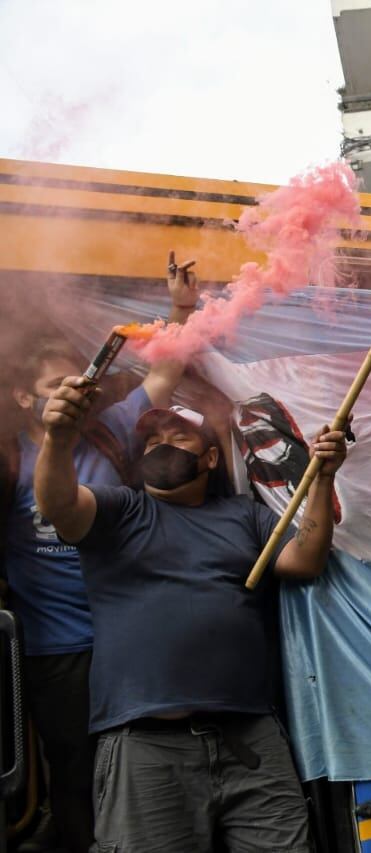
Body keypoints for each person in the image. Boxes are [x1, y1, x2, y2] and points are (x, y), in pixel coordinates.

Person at [34, 384, 347, 852]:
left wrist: (322, 478)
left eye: (178, 438)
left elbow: (304, 560)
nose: (162, 446)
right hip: (146, 744)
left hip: (251, 739)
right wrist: (58, 439)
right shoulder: (119, 509)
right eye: (153, 440)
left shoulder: (244, 515)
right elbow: (59, 505)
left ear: (212, 459)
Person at [0, 253, 196, 853]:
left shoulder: (110, 427)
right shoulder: (11, 462)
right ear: (24, 399)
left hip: (127, 633)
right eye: (55, 389)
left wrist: (181, 310)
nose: (72, 397)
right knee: (75, 772)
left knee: (146, 764)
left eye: (78, 385)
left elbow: (163, 375)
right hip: (57, 650)